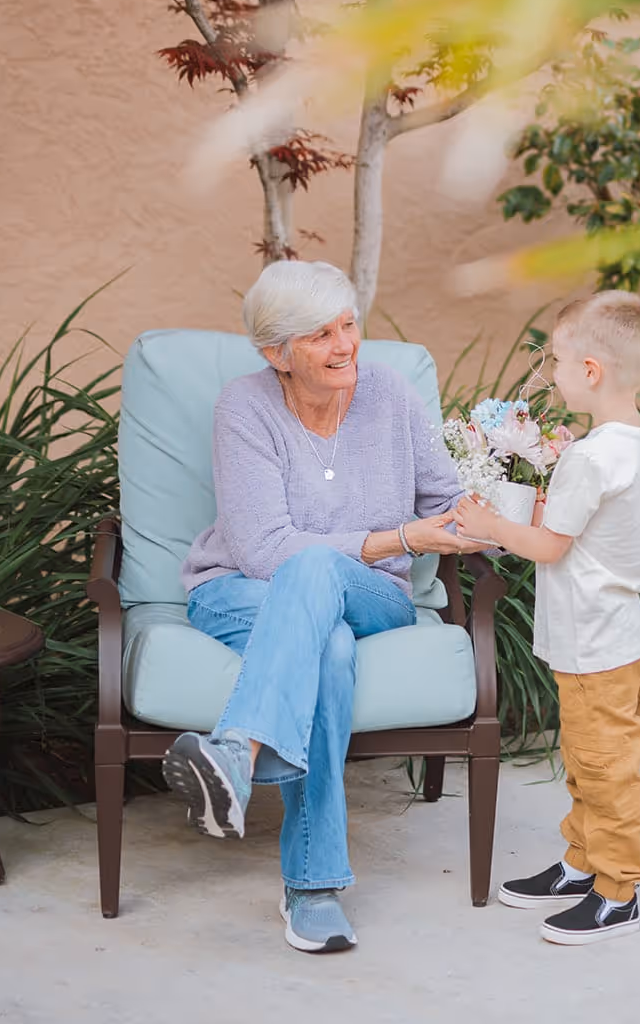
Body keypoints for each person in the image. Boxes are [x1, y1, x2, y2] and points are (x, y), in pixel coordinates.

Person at [163, 259, 481, 955]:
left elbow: (446, 505)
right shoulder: (243, 407)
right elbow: (262, 550)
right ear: (276, 353)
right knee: (327, 645)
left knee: (317, 570)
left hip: (373, 596)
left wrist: (511, 500)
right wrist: (394, 538)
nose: (344, 346)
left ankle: (237, 754)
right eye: (319, 336)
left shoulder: (390, 395)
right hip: (237, 593)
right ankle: (313, 887)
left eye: (348, 325)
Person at [455, 290, 640, 945]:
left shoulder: (592, 456)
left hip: (598, 643)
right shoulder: (634, 442)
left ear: (592, 372)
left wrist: (491, 522)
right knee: (584, 760)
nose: (552, 370)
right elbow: (576, 528)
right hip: (598, 638)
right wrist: (542, 506)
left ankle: (617, 888)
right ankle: (582, 859)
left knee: (606, 768)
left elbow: (549, 545)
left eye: (557, 359)